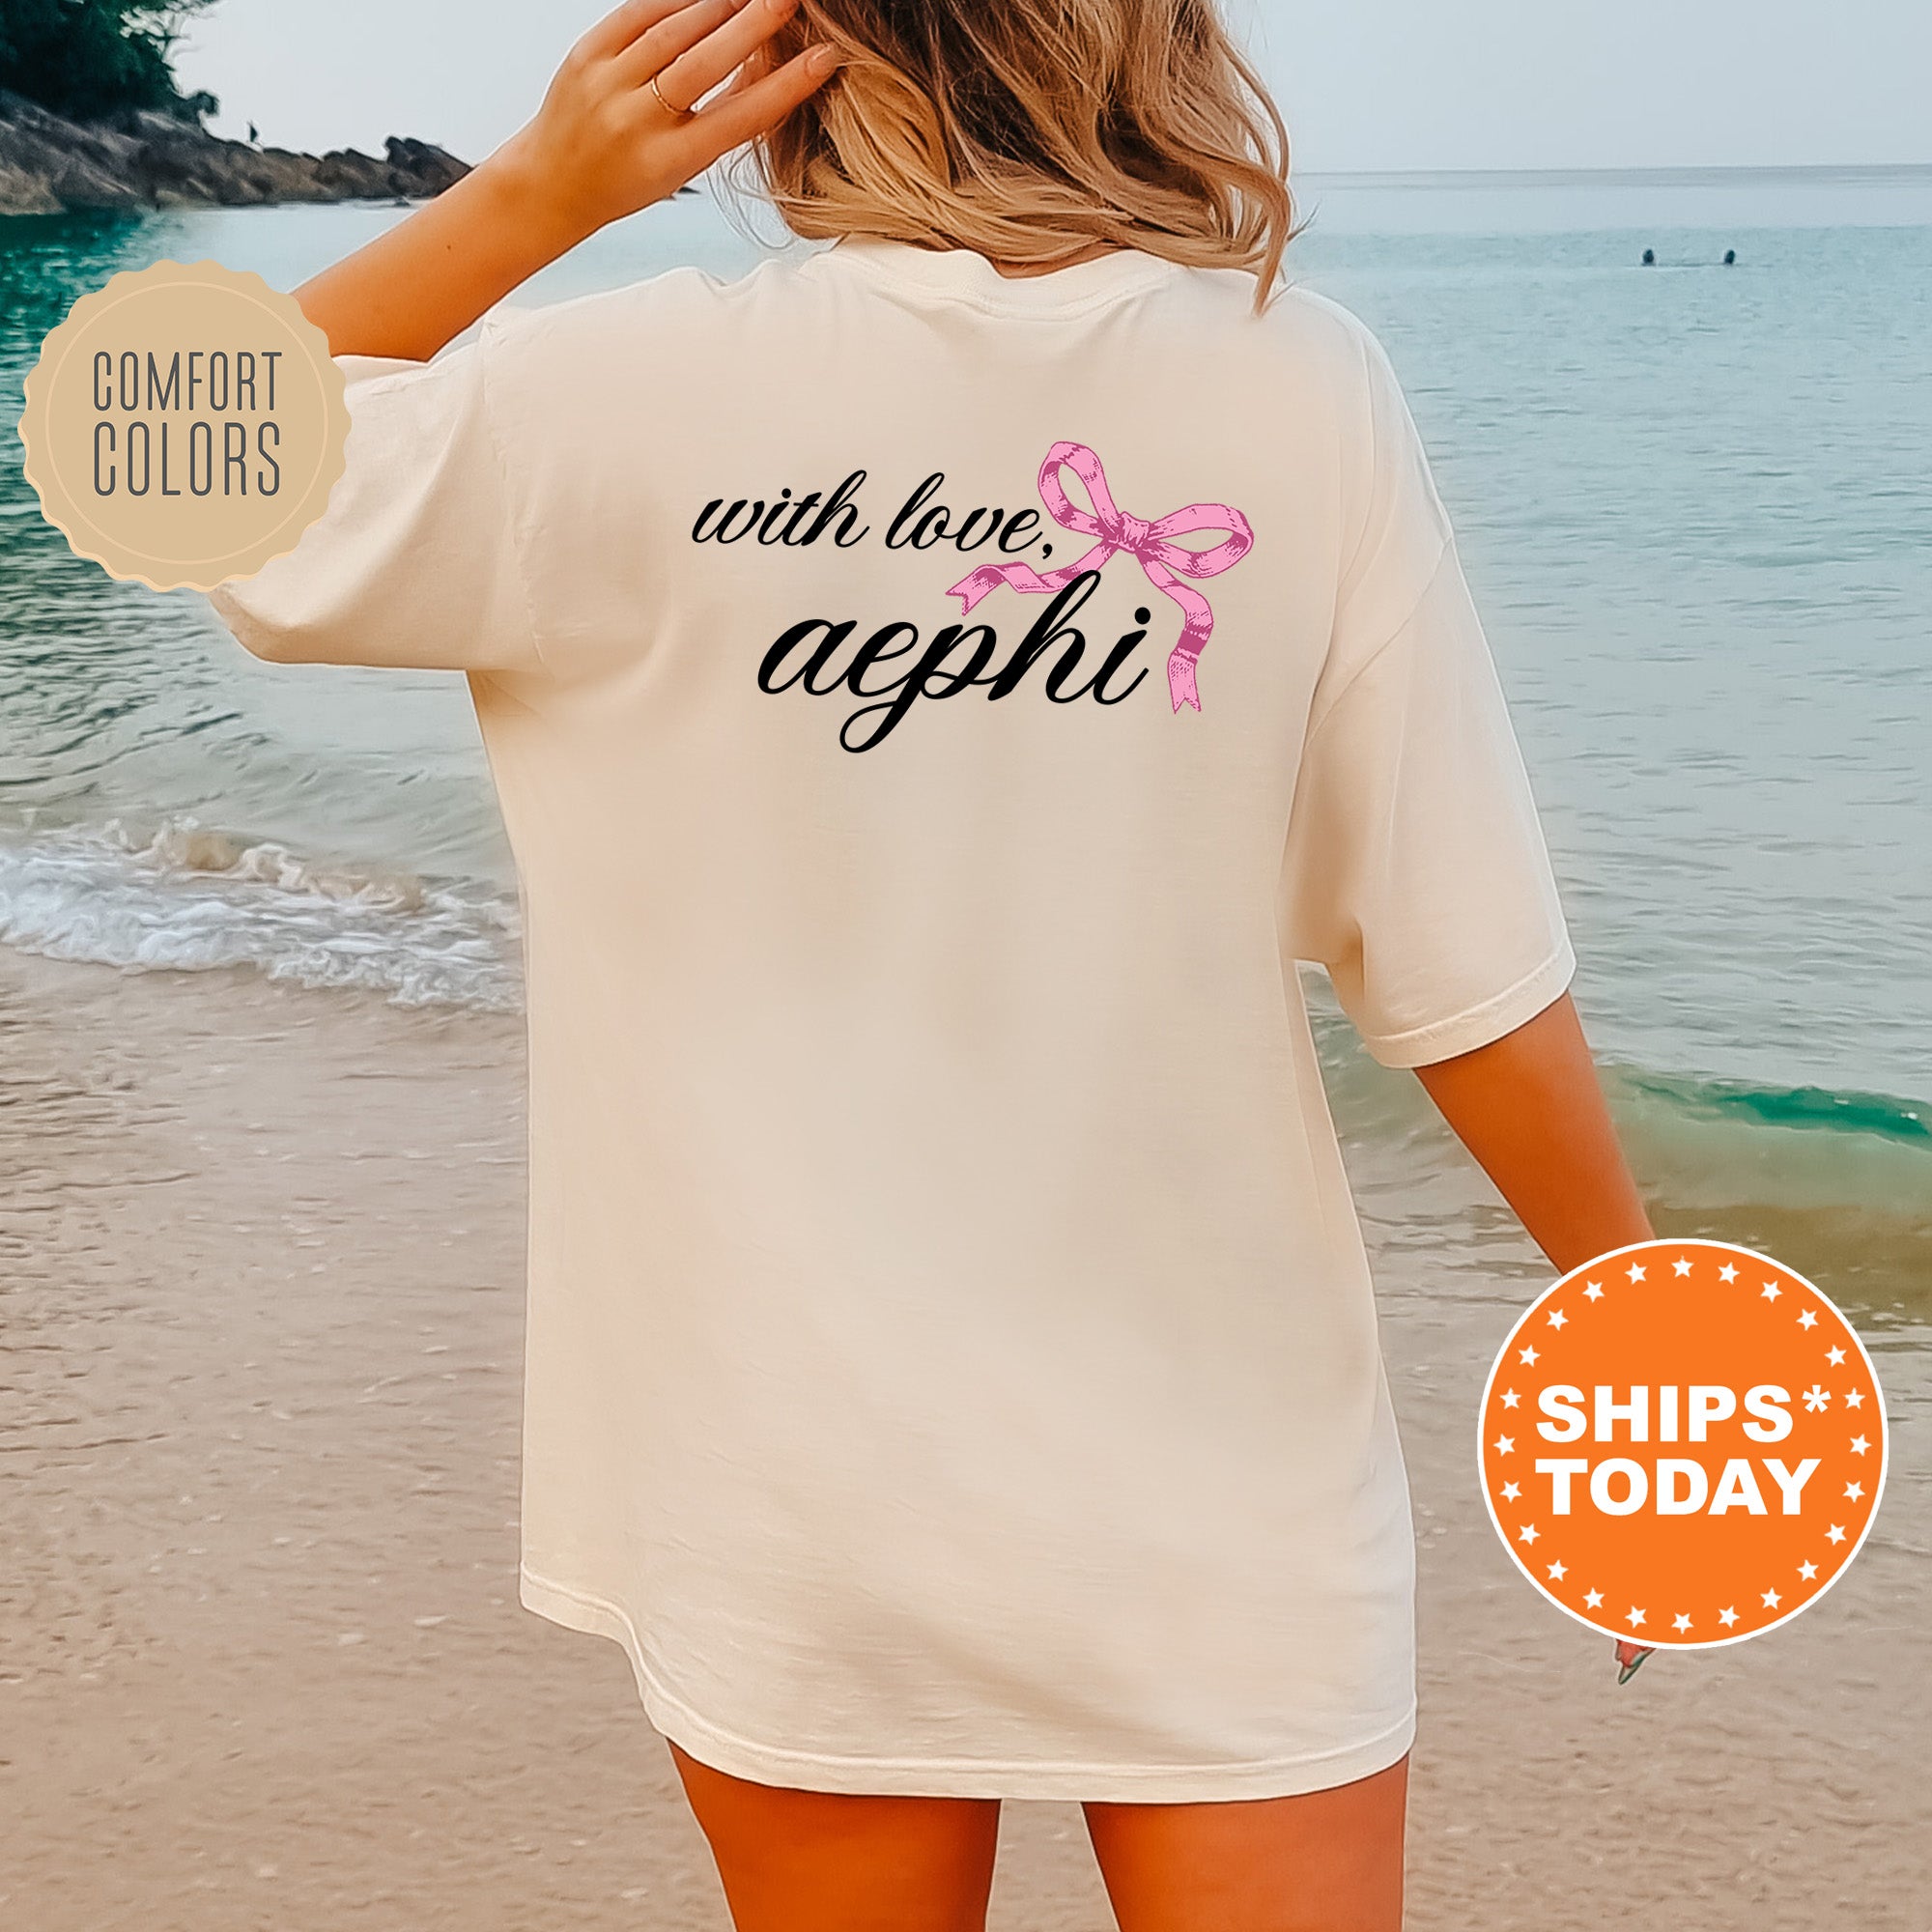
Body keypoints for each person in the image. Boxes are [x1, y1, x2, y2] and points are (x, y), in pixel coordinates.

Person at [205, 1, 1654, 1925]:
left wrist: (535, 193)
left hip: (788, 1480)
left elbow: (153, 450)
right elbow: (1454, 952)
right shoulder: (1297, 388)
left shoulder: (618, 394)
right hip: (1218, 1492)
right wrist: (1641, 1348)